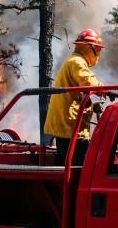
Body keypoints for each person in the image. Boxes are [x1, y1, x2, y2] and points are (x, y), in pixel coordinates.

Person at [44, 29, 104, 166]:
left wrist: (92, 106)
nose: (98, 55)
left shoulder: (73, 62)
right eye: (98, 50)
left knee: (69, 168)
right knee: (81, 170)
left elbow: (75, 96)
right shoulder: (77, 62)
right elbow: (89, 83)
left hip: (67, 127)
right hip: (71, 129)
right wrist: (106, 90)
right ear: (90, 48)